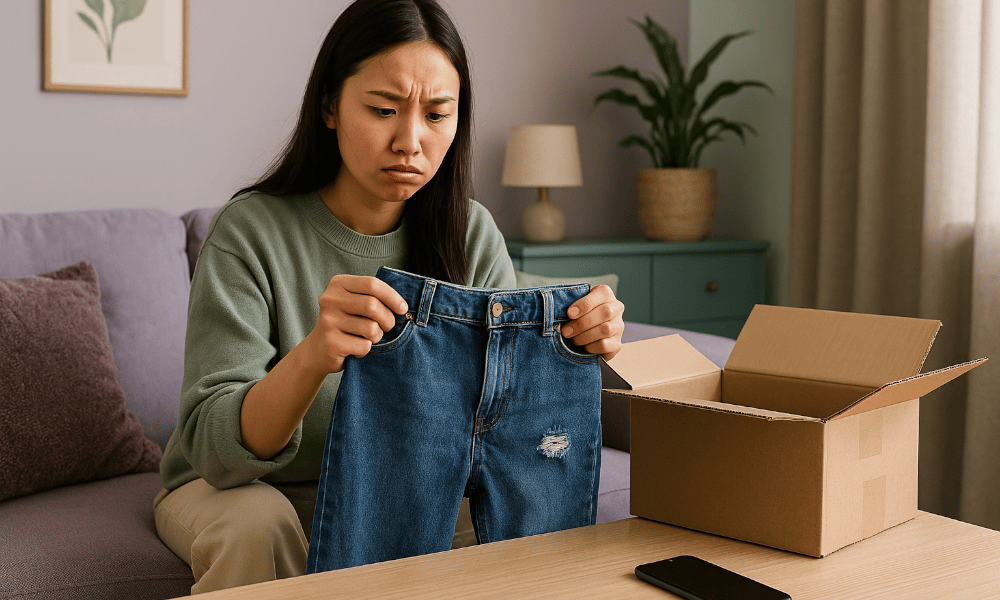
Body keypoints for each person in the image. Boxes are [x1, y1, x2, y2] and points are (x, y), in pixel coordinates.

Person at [153, 0, 625, 593]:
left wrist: (583, 338)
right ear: (330, 106)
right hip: (242, 488)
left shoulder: (470, 231)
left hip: (400, 489)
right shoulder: (248, 231)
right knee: (257, 527)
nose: (410, 140)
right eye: (383, 110)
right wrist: (313, 356)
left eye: (436, 115)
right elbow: (216, 451)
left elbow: (507, 422)